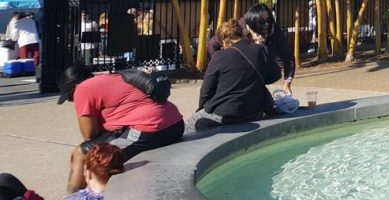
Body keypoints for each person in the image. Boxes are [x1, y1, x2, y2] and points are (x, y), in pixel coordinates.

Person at [58, 63, 184, 193]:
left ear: (74, 88)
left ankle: (72, 196)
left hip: (150, 128)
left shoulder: (83, 88)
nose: (73, 101)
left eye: (70, 98)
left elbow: (89, 135)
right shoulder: (110, 78)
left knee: (82, 154)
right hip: (175, 124)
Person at [186, 19, 280, 132]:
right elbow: (275, 75)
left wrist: (202, 109)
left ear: (225, 41)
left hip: (225, 114)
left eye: (222, 44)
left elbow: (206, 91)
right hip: (255, 111)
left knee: (187, 127)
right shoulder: (261, 49)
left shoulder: (220, 57)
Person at [243, 4, 296, 95]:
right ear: (253, 22)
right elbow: (214, 43)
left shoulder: (274, 31)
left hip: (261, 73)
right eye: (262, 22)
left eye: (268, 20)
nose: (266, 24)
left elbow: (289, 58)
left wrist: (287, 84)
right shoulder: (241, 29)